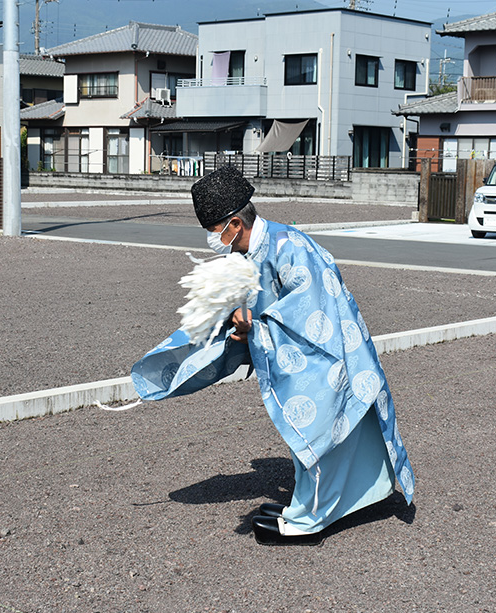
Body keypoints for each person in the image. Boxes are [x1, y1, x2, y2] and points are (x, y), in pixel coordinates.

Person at [131, 164, 414, 545]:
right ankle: (314, 504)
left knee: (317, 438)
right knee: (318, 438)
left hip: (329, 357)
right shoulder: (251, 251)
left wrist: (254, 328)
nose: (212, 240)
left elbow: (310, 312)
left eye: (214, 231)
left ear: (234, 223)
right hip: (310, 359)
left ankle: (308, 521)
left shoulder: (290, 247)